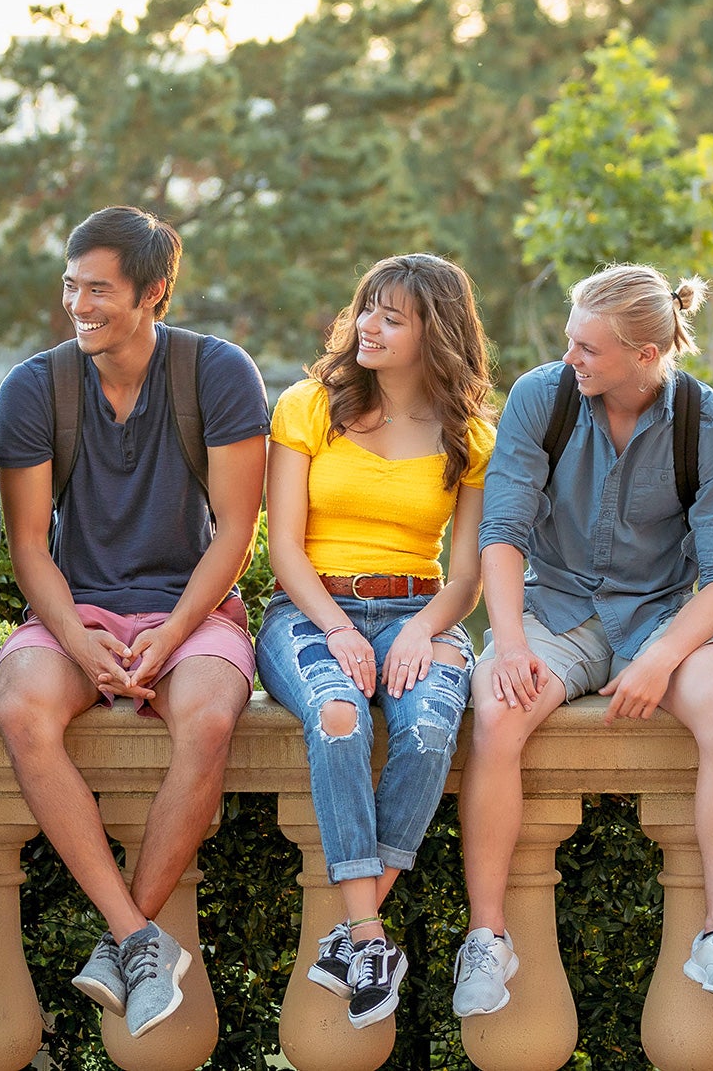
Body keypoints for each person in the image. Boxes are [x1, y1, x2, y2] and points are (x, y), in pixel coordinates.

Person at [455, 263, 713, 1016]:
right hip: (553, 610)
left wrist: (660, 657)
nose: (570, 359)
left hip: (661, 614)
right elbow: (502, 532)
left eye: (588, 348)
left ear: (647, 354)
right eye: (569, 340)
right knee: (497, 710)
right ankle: (486, 938)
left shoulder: (709, 426)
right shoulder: (541, 398)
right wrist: (509, 639)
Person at [0, 206, 268, 1039]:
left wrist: (176, 632)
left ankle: (124, 939)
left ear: (153, 292)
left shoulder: (218, 375)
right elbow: (30, 547)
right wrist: (79, 638)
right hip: (78, 610)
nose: (79, 303)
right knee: (19, 707)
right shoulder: (34, 387)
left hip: (193, 607)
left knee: (212, 715)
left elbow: (236, 531)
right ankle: (140, 937)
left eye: (99, 289)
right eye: (71, 285)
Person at [255, 254, 494, 1028]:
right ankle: (368, 934)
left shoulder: (471, 436)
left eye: (393, 317)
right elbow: (282, 547)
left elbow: (466, 578)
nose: (369, 325)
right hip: (309, 608)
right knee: (339, 715)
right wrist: (334, 627)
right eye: (367, 309)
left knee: (428, 729)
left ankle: (356, 935)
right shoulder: (306, 407)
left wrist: (422, 631)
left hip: (420, 610)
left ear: (437, 332)